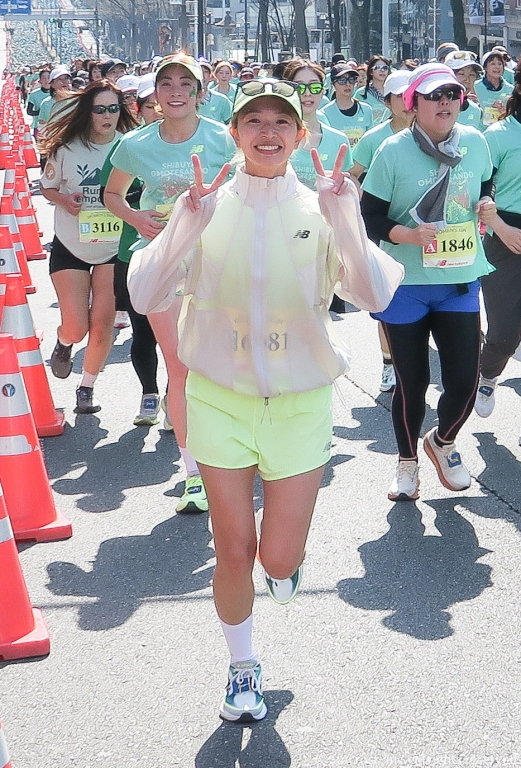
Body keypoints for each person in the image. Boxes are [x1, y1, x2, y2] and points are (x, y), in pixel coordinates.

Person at [127, 77, 401, 723]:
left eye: (282, 120)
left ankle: (284, 570)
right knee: (233, 549)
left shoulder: (322, 205)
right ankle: (241, 667)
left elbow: (375, 298)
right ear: (235, 132)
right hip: (217, 399)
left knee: (278, 558)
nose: (269, 130)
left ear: (300, 135)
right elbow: (144, 296)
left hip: (300, 403)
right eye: (255, 120)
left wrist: (346, 221)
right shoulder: (205, 205)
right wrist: (180, 226)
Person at [104, 53, 236, 513]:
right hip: (161, 261)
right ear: (155, 94)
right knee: (180, 365)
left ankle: (234, 458)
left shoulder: (225, 138)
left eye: (185, 82)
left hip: (219, 260)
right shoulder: (136, 145)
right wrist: (137, 218)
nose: (176, 90)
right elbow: (112, 194)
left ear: (201, 92)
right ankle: (193, 473)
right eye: (167, 83)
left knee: (223, 362)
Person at [361, 63, 497, 500]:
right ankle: (406, 463)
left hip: (459, 279)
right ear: (412, 103)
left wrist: (487, 205)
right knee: (412, 381)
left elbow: (486, 182)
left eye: (452, 95)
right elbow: (369, 216)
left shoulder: (475, 142)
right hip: (405, 284)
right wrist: (408, 234)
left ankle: (442, 443)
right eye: (435, 95)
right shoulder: (392, 151)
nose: (445, 103)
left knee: (464, 381)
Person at [39, 80, 138, 413]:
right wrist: (65, 200)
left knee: (103, 325)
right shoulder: (67, 148)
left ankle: (87, 388)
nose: (108, 116)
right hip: (72, 245)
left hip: (114, 247)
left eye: (114, 109)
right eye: (100, 109)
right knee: (77, 326)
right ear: (88, 112)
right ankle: (64, 342)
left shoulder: (131, 146)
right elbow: (48, 188)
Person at [99, 73, 164, 426]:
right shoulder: (129, 146)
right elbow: (106, 193)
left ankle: (177, 396)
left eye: (161, 103)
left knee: (185, 333)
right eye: (149, 105)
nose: (157, 110)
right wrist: (135, 211)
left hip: (187, 254)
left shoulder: (197, 142)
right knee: (144, 331)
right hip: (133, 251)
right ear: (137, 110)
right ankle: (149, 394)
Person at [351, 69, 413, 393]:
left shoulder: (431, 135)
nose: (407, 102)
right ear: (388, 102)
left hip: (418, 232)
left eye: (411, 94)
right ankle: (389, 364)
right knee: (385, 299)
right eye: (400, 96)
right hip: (380, 228)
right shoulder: (374, 138)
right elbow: (352, 174)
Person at [473, 63, 521, 422]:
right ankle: (487, 374)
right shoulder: (498, 135)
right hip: (505, 234)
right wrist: (502, 228)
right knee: (505, 332)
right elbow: (479, 192)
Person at [283, 58, 353, 188]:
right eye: (300, 88)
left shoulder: (339, 141)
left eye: (314, 87)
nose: (307, 93)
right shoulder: (274, 139)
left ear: (322, 91)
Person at [320, 62, 373, 147]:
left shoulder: (366, 110)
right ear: (333, 84)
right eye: (342, 80)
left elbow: (370, 144)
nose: (347, 84)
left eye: (352, 80)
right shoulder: (325, 114)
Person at [444, 50, 484, 129]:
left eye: (472, 75)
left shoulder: (475, 110)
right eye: (461, 74)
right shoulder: (435, 105)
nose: (467, 80)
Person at [474, 51, 513, 128]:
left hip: (502, 133)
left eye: (500, 64)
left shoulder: (510, 89)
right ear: (485, 67)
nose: (497, 67)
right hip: (481, 132)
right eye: (493, 63)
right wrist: (492, 108)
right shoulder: (475, 86)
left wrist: (506, 112)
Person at [354, 55, 391, 125]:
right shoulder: (361, 93)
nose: (382, 70)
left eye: (385, 68)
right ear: (371, 71)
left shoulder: (392, 93)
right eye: (378, 68)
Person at [27, 69, 51, 139]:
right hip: (39, 127)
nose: (46, 80)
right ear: (40, 80)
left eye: (48, 77)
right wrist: (42, 112)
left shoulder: (58, 93)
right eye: (44, 78)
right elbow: (29, 111)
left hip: (54, 127)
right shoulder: (34, 94)